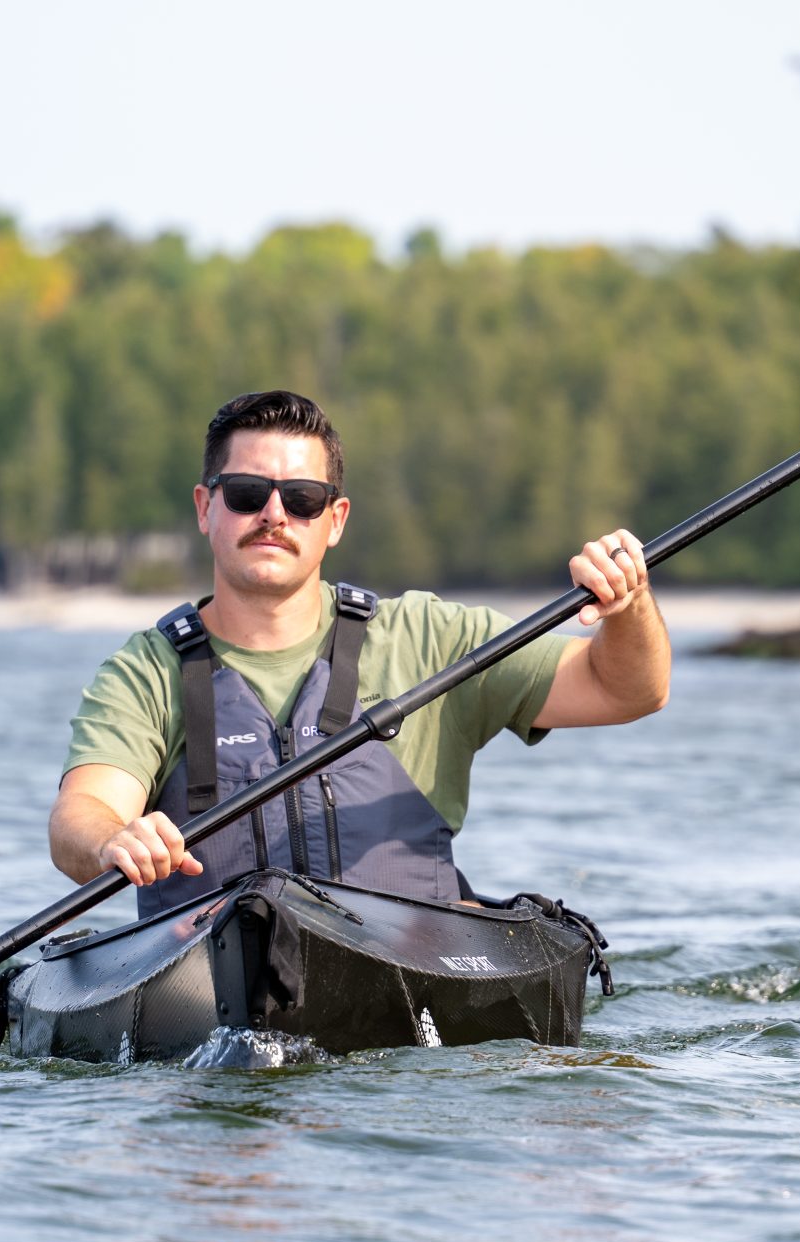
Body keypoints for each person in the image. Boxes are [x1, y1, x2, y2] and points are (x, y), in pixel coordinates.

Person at [50, 388, 670, 909]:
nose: (274, 515)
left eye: (302, 499)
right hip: (209, 974)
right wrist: (112, 840)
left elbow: (627, 691)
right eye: (245, 492)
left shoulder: (431, 640)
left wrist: (629, 604)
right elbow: (82, 813)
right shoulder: (147, 672)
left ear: (336, 519)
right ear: (205, 507)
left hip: (411, 977)